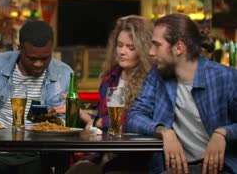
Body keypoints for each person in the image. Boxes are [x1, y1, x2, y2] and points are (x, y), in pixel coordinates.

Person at [127, 13, 237, 174]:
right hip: (174, 169)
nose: (151, 52)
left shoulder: (224, 77)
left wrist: (223, 133)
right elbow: (134, 115)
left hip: (220, 169)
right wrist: (164, 131)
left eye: (157, 45)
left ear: (179, 48)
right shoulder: (157, 75)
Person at [0, 20, 73, 174]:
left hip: (39, 151)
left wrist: (57, 122)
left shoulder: (65, 73)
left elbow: (68, 121)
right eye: (32, 58)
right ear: (19, 48)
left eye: (45, 58)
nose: (39, 64)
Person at [67, 15, 154, 174]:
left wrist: (100, 122)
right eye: (120, 45)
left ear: (144, 50)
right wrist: (81, 114)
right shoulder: (110, 78)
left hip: (136, 158)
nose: (122, 51)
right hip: (105, 153)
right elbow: (103, 122)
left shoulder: (151, 80)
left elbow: (138, 120)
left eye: (130, 47)